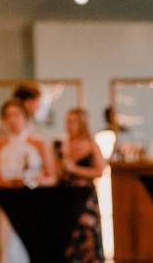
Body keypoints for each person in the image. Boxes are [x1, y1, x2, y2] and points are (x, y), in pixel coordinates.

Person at [0, 99, 56, 263]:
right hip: (7, 200)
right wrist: (12, 184)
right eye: (8, 116)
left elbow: (52, 177)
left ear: (24, 116)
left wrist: (36, 181)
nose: (13, 119)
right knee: (8, 242)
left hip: (33, 200)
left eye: (16, 115)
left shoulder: (38, 143)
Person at [57, 107, 104, 262]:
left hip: (85, 196)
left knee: (86, 232)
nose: (69, 125)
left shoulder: (91, 145)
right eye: (67, 122)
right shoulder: (63, 144)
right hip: (66, 195)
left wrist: (74, 169)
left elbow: (99, 171)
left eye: (73, 122)